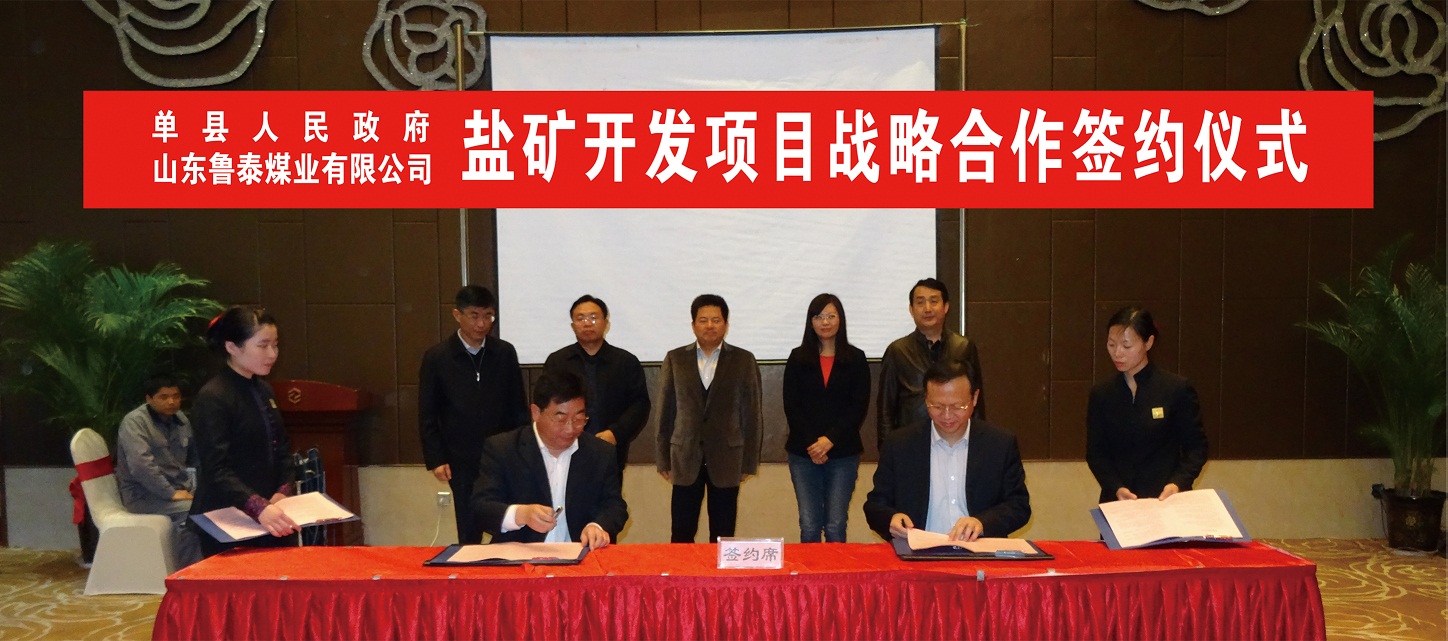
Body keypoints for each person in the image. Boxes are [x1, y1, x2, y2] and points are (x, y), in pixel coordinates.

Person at [864, 360, 1030, 542]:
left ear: (974, 398)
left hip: (980, 549)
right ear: (926, 399)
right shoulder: (899, 444)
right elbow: (875, 505)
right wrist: (891, 519)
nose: (947, 415)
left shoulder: (999, 444)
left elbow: (1019, 505)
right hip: (918, 551)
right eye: (937, 406)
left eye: (957, 406)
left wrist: (982, 523)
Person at [419, 285, 529, 544]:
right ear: (457, 315)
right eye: (474, 315)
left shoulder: (504, 352)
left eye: (488, 316)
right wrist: (436, 458)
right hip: (459, 457)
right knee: (469, 527)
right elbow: (427, 412)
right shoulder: (437, 357)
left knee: (507, 524)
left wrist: (523, 449)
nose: (482, 324)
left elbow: (518, 405)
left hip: (502, 455)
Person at [189, 306, 299, 557]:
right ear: (232, 347)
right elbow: (216, 469)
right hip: (228, 519)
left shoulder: (264, 390)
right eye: (263, 346)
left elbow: (282, 449)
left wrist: (282, 491)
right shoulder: (213, 396)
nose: (272, 354)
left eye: (275, 345)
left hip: (270, 515)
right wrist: (258, 507)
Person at [473, 372, 629, 548]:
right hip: (520, 554)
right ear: (536, 412)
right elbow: (481, 508)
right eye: (561, 419)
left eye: (579, 419)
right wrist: (520, 514)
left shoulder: (600, 452)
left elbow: (614, 505)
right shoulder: (503, 449)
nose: (570, 428)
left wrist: (597, 526)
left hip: (580, 553)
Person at [656, 294, 763, 543]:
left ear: (726, 324)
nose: (710, 326)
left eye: (716, 320)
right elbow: (665, 411)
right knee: (681, 533)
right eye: (703, 320)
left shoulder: (743, 360)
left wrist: (748, 462)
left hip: (728, 458)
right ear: (693, 325)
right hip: (684, 457)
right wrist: (663, 458)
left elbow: (752, 414)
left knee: (723, 534)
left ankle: (720, 571)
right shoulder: (675, 359)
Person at [1086, 306, 1208, 504]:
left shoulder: (1175, 388)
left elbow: (1196, 448)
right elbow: (1096, 452)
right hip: (1118, 503)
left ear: (1148, 343)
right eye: (1111, 344)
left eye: (1126, 346)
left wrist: (1178, 483)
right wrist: (1116, 487)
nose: (1117, 353)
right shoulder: (1102, 394)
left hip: (1165, 500)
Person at [782, 293, 870, 543]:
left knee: (835, 525)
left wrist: (829, 440)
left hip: (843, 453)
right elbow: (792, 406)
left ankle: (835, 570)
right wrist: (813, 443)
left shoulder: (856, 358)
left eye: (831, 316)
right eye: (819, 316)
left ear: (840, 320)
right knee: (809, 524)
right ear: (810, 321)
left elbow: (858, 406)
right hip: (803, 452)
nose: (825, 322)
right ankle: (810, 571)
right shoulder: (797, 358)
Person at [542, 295, 650, 482]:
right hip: (565, 448)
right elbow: (546, 404)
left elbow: (639, 405)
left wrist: (615, 433)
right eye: (580, 318)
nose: (587, 323)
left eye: (593, 317)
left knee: (608, 498)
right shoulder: (557, 361)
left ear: (606, 323)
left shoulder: (625, 362)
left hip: (610, 449)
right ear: (573, 325)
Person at [877, 278, 986, 448]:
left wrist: (979, 444)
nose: (927, 309)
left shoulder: (964, 347)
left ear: (946, 307)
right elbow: (885, 408)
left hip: (956, 440)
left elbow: (976, 402)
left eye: (934, 301)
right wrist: (886, 449)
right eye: (920, 303)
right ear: (911, 309)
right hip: (911, 442)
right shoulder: (897, 351)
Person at [115, 374, 201, 566]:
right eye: (164, 397)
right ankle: (189, 573)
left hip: (180, 491)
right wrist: (170, 493)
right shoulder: (134, 423)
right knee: (195, 513)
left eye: (176, 396)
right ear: (149, 398)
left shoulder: (181, 419)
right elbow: (141, 466)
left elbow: (197, 457)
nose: (171, 402)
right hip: (143, 496)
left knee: (215, 505)